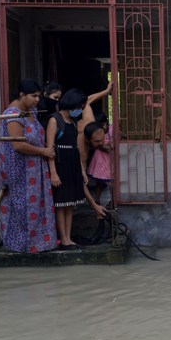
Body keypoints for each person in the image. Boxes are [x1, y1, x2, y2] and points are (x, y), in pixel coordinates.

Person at [0, 79, 57, 253]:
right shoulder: (13, 115)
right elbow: (18, 145)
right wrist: (43, 151)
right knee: (21, 207)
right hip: (19, 169)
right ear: (22, 95)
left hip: (35, 167)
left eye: (38, 96)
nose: (37, 100)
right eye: (33, 96)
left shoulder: (31, 111)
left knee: (37, 204)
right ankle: (21, 245)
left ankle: (39, 242)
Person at [46, 89, 107, 250]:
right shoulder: (55, 120)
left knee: (70, 203)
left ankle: (69, 238)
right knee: (60, 204)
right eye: (79, 106)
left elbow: (76, 150)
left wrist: (81, 170)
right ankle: (64, 238)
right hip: (60, 164)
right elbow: (49, 148)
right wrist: (53, 173)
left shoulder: (73, 122)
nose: (79, 110)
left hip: (72, 164)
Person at [86, 112, 113, 205]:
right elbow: (98, 145)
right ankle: (97, 200)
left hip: (110, 159)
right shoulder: (96, 132)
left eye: (103, 125)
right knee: (100, 181)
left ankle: (113, 201)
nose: (101, 128)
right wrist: (107, 147)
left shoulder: (112, 130)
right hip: (100, 159)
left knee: (112, 181)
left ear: (107, 122)